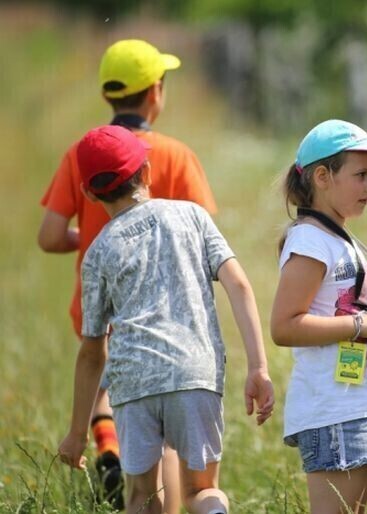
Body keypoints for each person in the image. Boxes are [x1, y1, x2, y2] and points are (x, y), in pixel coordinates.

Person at [57, 125, 274, 514]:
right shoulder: (192, 217)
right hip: (195, 372)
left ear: (89, 194)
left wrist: (77, 433)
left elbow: (92, 351)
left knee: (142, 496)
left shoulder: (97, 253)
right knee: (200, 490)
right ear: (147, 172)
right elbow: (238, 284)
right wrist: (258, 367)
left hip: (133, 382)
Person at [38, 39, 216, 510]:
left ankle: (108, 448)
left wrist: (89, 237)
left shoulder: (85, 153)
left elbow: (51, 235)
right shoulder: (175, 155)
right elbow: (202, 239)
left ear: (108, 94)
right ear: (156, 91)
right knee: (170, 442)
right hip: (167, 316)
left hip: (100, 307)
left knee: (109, 389)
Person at [270, 119, 367, 514]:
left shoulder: (338, 236)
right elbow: (284, 325)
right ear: (323, 176)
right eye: (361, 175)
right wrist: (365, 325)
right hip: (333, 409)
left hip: (356, 405)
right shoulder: (311, 241)